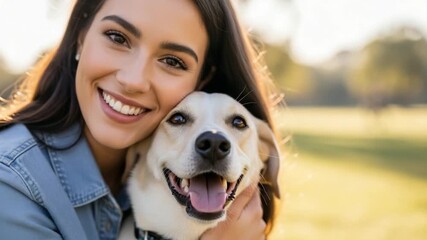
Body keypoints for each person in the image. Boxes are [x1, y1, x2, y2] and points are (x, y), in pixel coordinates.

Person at [0, 0, 281, 239]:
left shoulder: (148, 177)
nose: (133, 80)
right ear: (80, 37)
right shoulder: (9, 185)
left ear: (200, 81)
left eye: (173, 61)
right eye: (117, 38)